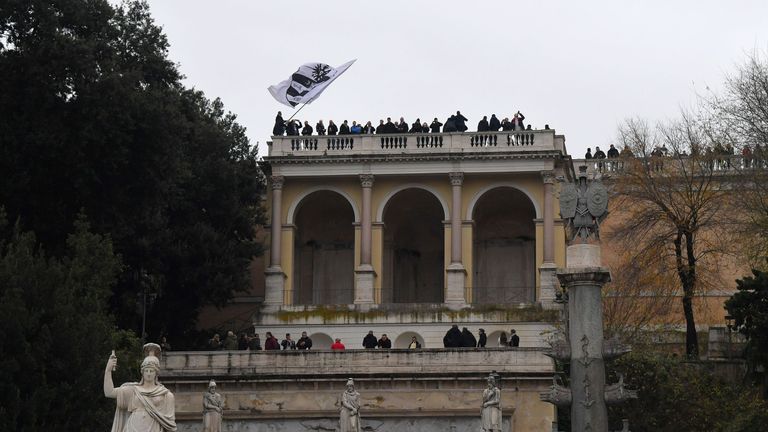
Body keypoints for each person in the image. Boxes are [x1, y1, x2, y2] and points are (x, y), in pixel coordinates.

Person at [105, 344, 177, 432]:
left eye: (151, 371)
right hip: (132, 427)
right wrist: (108, 370)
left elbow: (171, 425)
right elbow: (109, 392)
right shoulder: (133, 390)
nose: (149, 373)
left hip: (153, 428)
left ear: (156, 373)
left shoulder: (166, 395)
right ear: (142, 373)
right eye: (146, 371)